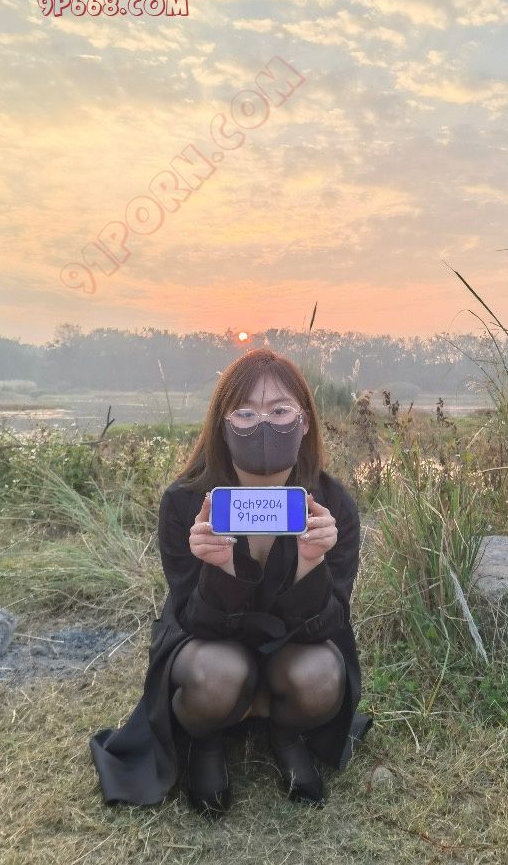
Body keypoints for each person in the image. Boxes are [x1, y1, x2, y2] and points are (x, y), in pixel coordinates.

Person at [89, 349, 372, 818]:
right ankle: (206, 739)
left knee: (322, 676)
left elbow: (332, 623)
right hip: (209, 645)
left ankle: (285, 733)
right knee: (218, 675)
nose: (263, 425)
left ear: (304, 422)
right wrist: (218, 568)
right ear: (222, 425)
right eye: (245, 413)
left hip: (296, 649)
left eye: (279, 411)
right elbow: (191, 619)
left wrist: (310, 564)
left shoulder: (332, 505)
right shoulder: (185, 503)